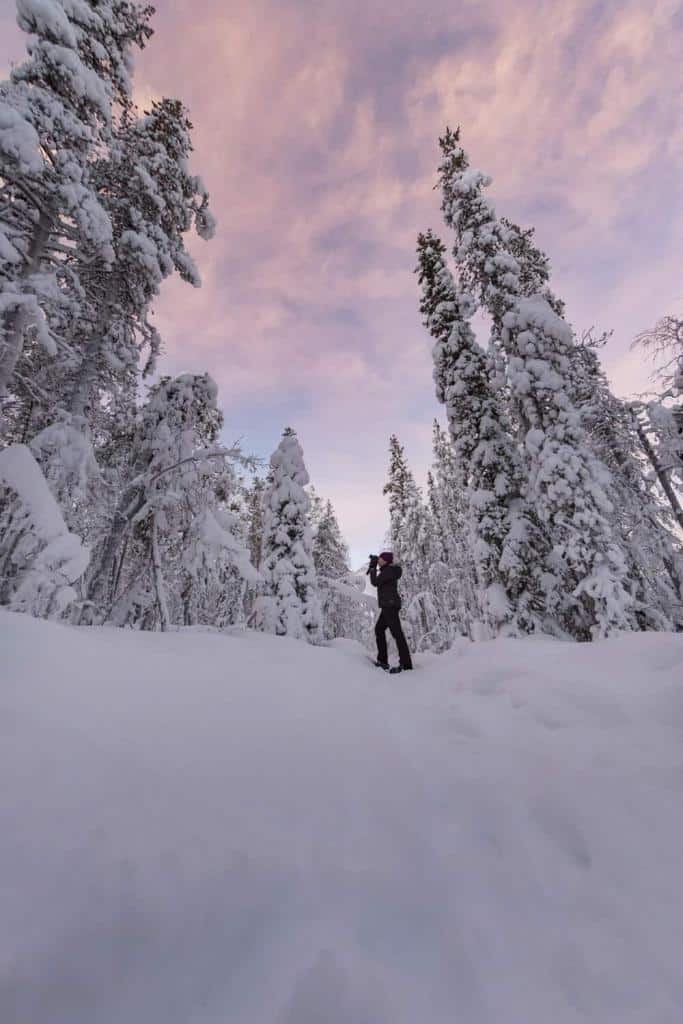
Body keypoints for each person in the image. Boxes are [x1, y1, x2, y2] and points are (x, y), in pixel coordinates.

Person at [367, 551, 413, 673]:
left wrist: (372, 568)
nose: (379, 560)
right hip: (389, 605)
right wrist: (374, 566)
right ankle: (383, 661)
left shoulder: (388, 571)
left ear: (386, 561)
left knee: (397, 634)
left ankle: (405, 664)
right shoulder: (388, 570)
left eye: (381, 559)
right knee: (379, 629)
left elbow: (375, 582)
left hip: (390, 605)